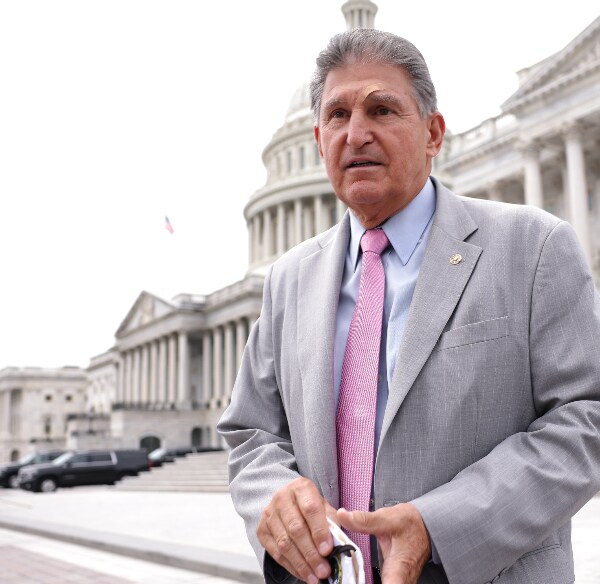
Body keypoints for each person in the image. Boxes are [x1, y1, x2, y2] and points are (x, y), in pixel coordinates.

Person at [217, 28, 600, 584]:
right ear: (319, 140)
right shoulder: (288, 280)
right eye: (338, 115)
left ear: (433, 133)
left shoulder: (534, 247)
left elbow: (587, 416)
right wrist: (277, 500)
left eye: (382, 109)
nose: (357, 134)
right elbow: (251, 432)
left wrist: (440, 526)